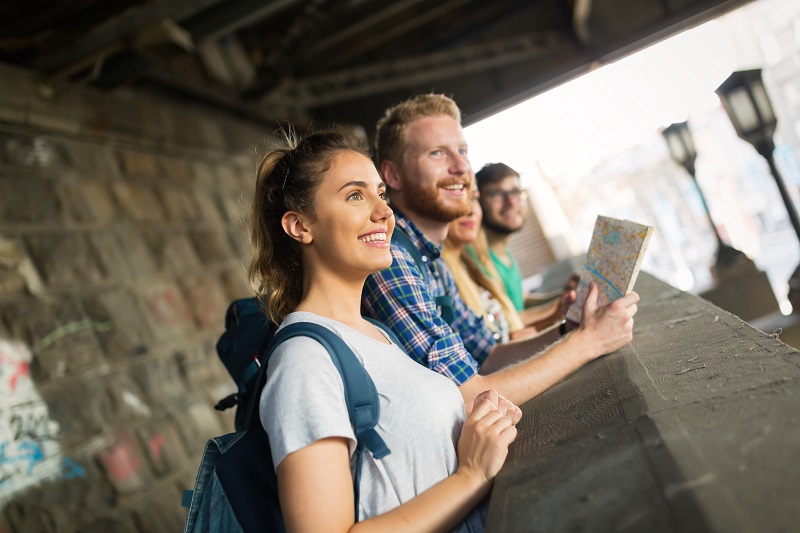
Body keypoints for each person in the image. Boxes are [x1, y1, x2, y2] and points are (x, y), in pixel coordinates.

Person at [248, 129, 520, 532]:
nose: (384, 212)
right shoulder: (304, 361)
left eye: (381, 194)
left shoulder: (376, 333)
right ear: (300, 226)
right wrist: (471, 476)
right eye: (355, 195)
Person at [362, 93, 639, 407]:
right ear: (393, 175)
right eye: (438, 153)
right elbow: (466, 398)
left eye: (462, 151)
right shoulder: (390, 256)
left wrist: (569, 329)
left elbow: (487, 355)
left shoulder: (431, 257)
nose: (461, 167)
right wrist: (587, 342)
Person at [442, 183, 538, 343]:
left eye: (473, 198)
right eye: (497, 194)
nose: (470, 210)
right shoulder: (444, 276)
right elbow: (494, 350)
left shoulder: (472, 264)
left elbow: (513, 330)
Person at [475, 161, 566, 329]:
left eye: (516, 191)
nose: (511, 201)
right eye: (496, 193)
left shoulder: (505, 253)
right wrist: (563, 305)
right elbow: (505, 322)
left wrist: (566, 294)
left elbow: (522, 300)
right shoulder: (477, 259)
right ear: (477, 202)